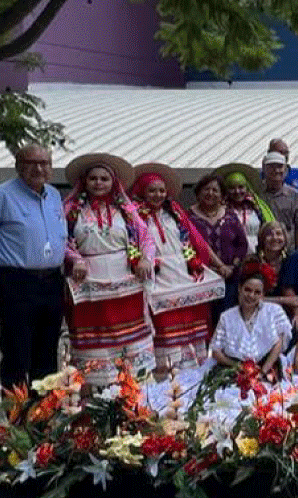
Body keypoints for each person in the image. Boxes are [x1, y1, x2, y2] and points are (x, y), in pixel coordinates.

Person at [131, 165, 229, 373]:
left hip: (183, 270)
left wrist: (218, 264)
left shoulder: (175, 212)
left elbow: (197, 240)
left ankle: (194, 374)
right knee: (165, 323)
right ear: (141, 191)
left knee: (191, 319)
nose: (158, 195)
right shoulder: (134, 216)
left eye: (161, 190)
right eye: (152, 190)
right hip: (158, 275)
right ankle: (167, 376)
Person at [63, 154, 155, 370]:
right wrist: (75, 259)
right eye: (93, 178)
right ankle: (94, 390)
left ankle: (129, 388)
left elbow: (147, 237)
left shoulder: (126, 210)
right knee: (95, 336)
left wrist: (145, 259)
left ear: (113, 182)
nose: (98, 183)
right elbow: (61, 239)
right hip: (88, 281)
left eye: (104, 179)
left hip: (125, 281)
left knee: (127, 338)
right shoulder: (70, 210)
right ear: (84, 182)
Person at [0, 145, 69, 387]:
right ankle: (16, 421)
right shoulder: (4, 195)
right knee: (17, 355)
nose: (38, 168)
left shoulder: (54, 194)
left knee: (48, 355)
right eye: (31, 162)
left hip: (51, 282)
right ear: (18, 166)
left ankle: (43, 419)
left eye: (44, 163)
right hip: (16, 283)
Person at [210, 262, 291, 382]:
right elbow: (216, 351)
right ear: (239, 289)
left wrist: (262, 372)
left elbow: (278, 343)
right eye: (247, 290)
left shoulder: (274, 311)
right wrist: (239, 367)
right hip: (234, 370)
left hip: (268, 367)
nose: (251, 296)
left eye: (257, 292)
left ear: (263, 294)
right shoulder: (226, 317)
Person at [187, 173, 247, 283]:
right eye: (206, 189)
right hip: (199, 277)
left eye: (215, 190)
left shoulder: (230, 216)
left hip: (230, 276)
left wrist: (232, 266)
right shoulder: (188, 217)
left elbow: (242, 244)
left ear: (222, 195)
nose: (210, 193)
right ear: (198, 193)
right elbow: (185, 246)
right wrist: (199, 266)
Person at [251, 221, 298, 329]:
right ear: (262, 239)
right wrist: (285, 300)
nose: (275, 238)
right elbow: (251, 298)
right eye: (269, 234)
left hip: (284, 314)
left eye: (279, 234)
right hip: (255, 313)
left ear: (285, 238)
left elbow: (295, 297)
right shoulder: (253, 262)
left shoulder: (291, 261)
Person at [215, 162, 275, 245]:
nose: (237, 191)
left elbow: (270, 229)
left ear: (247, 188)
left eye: (241, 187)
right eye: (232, 188)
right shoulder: (219, 210)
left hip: (256, 255)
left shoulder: (258, 208)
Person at [261, 152, 298, 251]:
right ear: (264, 169)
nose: (276, 170)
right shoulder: (257, 194)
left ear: (286, 170)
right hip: (263, 250)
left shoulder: (295, 196)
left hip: (288, 251)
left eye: (280, 167)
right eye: (271, 167)